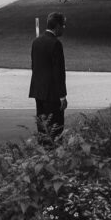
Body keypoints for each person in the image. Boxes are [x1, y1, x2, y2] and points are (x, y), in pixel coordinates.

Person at [29, 11, 68, 143]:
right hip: (52, 94)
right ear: (56, 26)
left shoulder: (36, 42)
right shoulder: (56, 44)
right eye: (63, 25)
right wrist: (62, 96)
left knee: (42, 126)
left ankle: (43, 153)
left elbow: (34, 67)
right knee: (55, 127)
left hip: (38, 91)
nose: (64, 28)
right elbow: (59, 72)